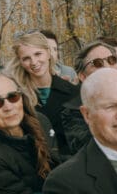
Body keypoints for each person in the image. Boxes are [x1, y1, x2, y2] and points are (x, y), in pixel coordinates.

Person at [9, 31, 79, 160]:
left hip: (69, 165)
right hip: (32, 166)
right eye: (26, 58)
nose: (34, 62)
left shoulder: (72, 91)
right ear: (20, 61)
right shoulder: (16, 97)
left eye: (38, 54)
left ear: (48, 53)